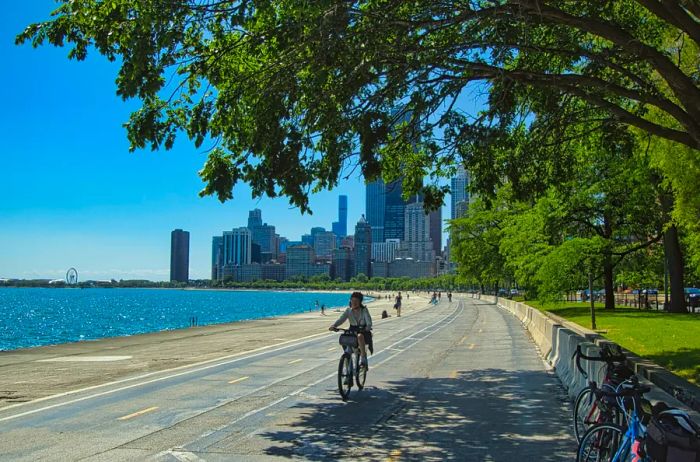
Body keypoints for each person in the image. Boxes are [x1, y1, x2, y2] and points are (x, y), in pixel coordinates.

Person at [329, 291, 373, 368]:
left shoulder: (364, 310)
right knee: (345, 338)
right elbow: (341, 319)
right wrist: (334, 325)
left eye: (356, 301)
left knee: (360, 336)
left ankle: (363, 359)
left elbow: (369, 322)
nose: (354, 303)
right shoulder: (348, 310)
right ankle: (347, 371)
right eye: (352, 300)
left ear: (360, 302)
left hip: (363, 332)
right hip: (352, 331)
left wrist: (367, 327)